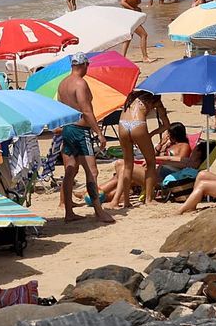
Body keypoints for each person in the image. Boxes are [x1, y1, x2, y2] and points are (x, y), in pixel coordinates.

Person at [55, 54, 115, 224]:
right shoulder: (80, 83)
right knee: (92, 171)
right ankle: (99, 211)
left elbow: (61, 109)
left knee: (70, 170)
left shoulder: (62, 84)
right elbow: (86, 110)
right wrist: (100, 133)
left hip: (67, 129)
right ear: (83, 65)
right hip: (80, 131)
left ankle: (68, 212)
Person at [114, 90, 166, 207]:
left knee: (128, 165)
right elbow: (166, 125)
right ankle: (148, 199)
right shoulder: (156, 100)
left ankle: (126, 201)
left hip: (123, 124)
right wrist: (152, 133)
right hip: (138, 124)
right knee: (151, 162)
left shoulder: (131, 97)